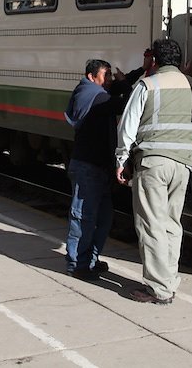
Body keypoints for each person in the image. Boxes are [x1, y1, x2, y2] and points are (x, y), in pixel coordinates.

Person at [116, 38, 192, 305]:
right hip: (183, 164)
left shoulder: (147, 85)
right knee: (172, 224)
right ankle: (169, 281)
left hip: (153, 163)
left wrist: (121, 159)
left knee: (151, 225)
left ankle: (158, 289)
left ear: (154, 60)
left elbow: (128, 125)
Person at [63, 53, 149, 280]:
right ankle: (77, 264)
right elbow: (126, 103)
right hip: (88, 166)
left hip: (97, 166)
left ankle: (89, 260)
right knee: (84, 216)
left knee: (102, 217)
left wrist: (140, 70)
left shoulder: (91, 91)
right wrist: (130, 85)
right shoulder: (94, 97)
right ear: (92, 77)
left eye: (111, 75)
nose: (110, 79)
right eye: (106, 75)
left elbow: (113, 88)